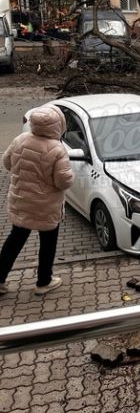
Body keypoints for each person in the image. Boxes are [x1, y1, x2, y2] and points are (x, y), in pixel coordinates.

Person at [0, 105, 74, 296]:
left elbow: (7, 163)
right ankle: (43, 282)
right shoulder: (58, 149)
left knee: (14, 240)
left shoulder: (20, 140)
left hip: (21, 201)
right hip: (46, 205)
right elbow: (62, 181)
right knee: (48, 243)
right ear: (58, 125)